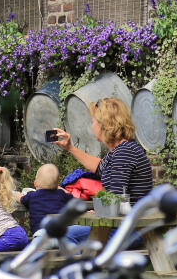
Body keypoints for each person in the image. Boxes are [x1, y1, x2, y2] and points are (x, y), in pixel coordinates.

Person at [53, 97, 153, 244]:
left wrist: (100, 211)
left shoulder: (124, 152)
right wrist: (70, 148)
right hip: (125, 226)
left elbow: (116, 197)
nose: (92, 126)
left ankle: (86, 267)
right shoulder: (121, 150)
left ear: (104, 124)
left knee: (63, 234)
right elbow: (100, 168)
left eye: (93, 121)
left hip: (130, 231)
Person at [19, 163, 73, 234]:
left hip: (40, 233)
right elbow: (71, 196)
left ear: (35, 183)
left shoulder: (32, 195)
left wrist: (16, 194)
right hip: (60, 233)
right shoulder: (61, 194)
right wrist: (57, 186)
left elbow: (21, 199)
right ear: (57, 185)